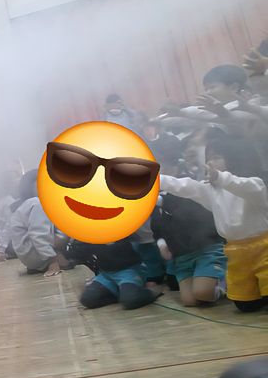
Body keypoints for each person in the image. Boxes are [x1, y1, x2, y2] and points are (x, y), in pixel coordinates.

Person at [160, 131, 268, 313]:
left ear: (233, 158)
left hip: (263, 248)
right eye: (209, 158)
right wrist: (154, 179)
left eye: (217, 157)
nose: (211, 162)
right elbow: (184, 186)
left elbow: (244, 186)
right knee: (245, 305)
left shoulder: (255, 184)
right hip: (235, 251)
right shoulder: (211, 190)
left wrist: (219, 177)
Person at [150, 144, 226, 307]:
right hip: (181, 256)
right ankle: (209, 284)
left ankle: (226, 283)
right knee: (189, 301)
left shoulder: (187, 187)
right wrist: (162, 244)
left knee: (203, 293)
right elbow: (156, 229)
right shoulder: (154, 200)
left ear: (175, 168)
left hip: (206, 249)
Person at [65, 236, 162, 310]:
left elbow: (139, 240)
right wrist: (76, 242)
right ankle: (121, 293)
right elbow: (74, 255)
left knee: (130, 300)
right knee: (87, 300)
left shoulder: (122, 227)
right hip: (106, 274)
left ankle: (150, 292)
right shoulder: (90, 233)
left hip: (129, 270)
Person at [9, 171, 63, 276]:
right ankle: (54, 260)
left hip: (29, 259)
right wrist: (53, 263)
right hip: (37, 255)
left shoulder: (26, 204)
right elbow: (39, 235)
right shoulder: (37, 203)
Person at [0, 170, 20, 263]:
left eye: (18, 177)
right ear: (7, 183)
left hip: (8, 243)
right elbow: (9, 226)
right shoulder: (9, 201)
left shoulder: (8, 199)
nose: (18, 180)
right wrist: (1, 250)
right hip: (10, 244)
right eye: (14, 178)